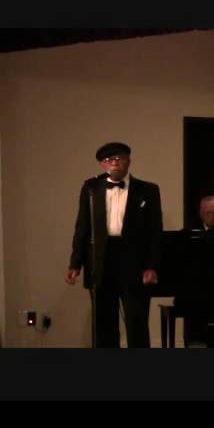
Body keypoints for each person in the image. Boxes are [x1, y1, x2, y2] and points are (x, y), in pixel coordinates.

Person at [65, 142, 163, 348]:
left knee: (136, 322)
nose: (115, 163)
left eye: (119, 158)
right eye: (109, 160)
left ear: (129, 161)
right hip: (101, 260)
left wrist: (151, 266)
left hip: (134, 262)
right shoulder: (91, 189)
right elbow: (82, 227)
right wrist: (75, 263)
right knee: (104, 324)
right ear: (102, 165)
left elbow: (154, 232)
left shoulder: (148, 190)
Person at [176, 196, 214, 347]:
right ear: (201, 214)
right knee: (193, 297)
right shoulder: (189, 234)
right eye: (207, 213)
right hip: (197, 289)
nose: (210, 216)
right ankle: (206, 341)